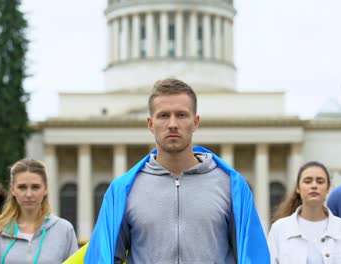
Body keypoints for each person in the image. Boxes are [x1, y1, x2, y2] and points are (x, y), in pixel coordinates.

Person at [69, 78, 269, 263]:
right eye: (163, 116)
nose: (172, 124)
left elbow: (252, 255)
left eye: (181, 115)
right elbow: (105, 257)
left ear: (196, 122)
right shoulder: (122, 191)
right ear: (150, 124)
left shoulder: (231, 186)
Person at [0, 158, 78, 264]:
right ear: (13, 189)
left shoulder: (64, 230)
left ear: (45, 189)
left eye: (35, 187)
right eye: (22, 187)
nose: (29, 194)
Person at [268, 161, 341, 264]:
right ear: (298, 188)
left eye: (320, 181)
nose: (314, 186)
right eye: (308, 181)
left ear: (328, 188)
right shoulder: (279, 229)